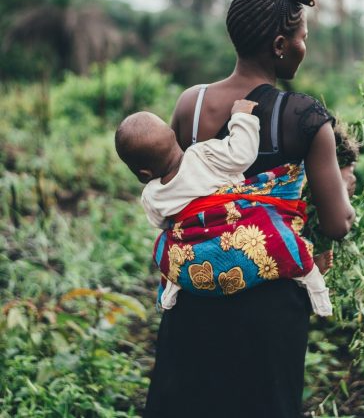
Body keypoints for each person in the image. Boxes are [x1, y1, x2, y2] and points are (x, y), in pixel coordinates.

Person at [144, 0, 356, 418]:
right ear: (280, 44)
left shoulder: (191, 105)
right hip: (268, 311)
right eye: (302, 38)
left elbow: (179, 187)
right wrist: (344, 191)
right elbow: (336, 225)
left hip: (195, 292)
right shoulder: (305, 117)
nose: (303, 47)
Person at [114, 101, 334, 316]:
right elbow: (242, 154)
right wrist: (242, 117)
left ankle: (171, 289)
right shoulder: (202, 154)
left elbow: (162, 223)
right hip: (238, 236)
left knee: (165, 246)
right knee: (278, 235)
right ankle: (313, 282)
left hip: (197, 261)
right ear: (173, 135)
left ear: (143, 174)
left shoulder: (152, 194)